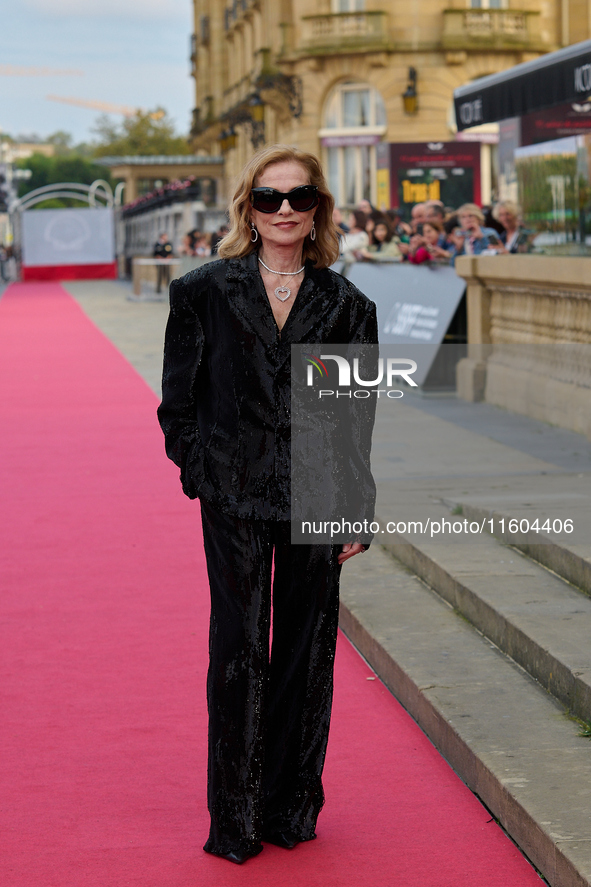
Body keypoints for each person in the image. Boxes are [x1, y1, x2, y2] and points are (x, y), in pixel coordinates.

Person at [157, 144, 377, 865]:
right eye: (268, 197)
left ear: (318, 209)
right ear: (247, 210)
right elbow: (177, 403)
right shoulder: (203, 291)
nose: (283, 210)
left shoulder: (347, 304)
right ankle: (237, 815)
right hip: (234, 492)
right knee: (239, 649)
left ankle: (288, 805)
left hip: (316, 492)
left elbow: (352, 419)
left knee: (305, 654)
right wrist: (203, 474)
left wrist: (351, 506)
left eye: (298, 197)